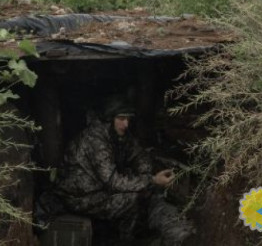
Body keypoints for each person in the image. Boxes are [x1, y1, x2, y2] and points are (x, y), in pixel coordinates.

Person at [55, 98, 194, 245]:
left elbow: (139, 154)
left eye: (128, 119)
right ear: (109, 119)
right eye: (121, 119)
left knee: (136, 186)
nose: (126, 124)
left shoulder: (116, 134)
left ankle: (122, 234)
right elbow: (112, 182)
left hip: (97, 189)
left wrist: (145, 174)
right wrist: (151, 181)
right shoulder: (95, 139)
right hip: (77, 196)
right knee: (131, 199)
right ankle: (123, 241)